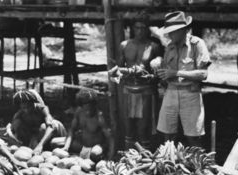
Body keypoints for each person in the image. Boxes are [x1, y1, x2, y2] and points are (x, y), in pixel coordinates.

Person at [156, 11, 211, 147]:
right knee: (167, 135)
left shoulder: (197, 44)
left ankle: (198, 166)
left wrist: (176, 73)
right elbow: (166, 73)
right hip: (171, 92)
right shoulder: (169, 47)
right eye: (168, 32)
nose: (169, 35)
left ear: (183, 30)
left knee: (194, 137)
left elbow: (203, 74)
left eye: (172, 31)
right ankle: (168, 165)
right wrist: (158, 69)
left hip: (190, 94)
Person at [115, 16, 164, 150]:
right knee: (128, 127)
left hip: (146, 90)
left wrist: (149, 77)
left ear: (147, 30)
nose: (140, 31)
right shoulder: (124, 45)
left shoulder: (154, 47)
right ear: (132, 28)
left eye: (143, 28)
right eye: (137, 28)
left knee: (144, 127)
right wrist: (128, 71)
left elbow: (159, 75)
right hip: (128, 90)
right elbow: (117, 70)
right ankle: (127, 157)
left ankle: (145, 159)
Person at [6, 89, 67, 154]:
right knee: (17, 124)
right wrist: (10, 131)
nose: (26, 110)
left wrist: (40, 145)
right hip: (36, 137)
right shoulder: (19, 114)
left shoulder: (42, 109)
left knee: (45, 126)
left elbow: (51, 127)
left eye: (28, 107)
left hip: (52, 136)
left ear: (32, 103)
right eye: (24, 108)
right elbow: (11, 129)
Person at [61, 90, 114, 161]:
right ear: (81, 105)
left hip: (96, 147)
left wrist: (110, 156)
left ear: (94, 105)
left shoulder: (99, 117)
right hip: (82, 145)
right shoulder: (79, 112)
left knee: (95, 153)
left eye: (90, 108)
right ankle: (83, 153)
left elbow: (110, 138)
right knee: (54, 142)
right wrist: (66, 146)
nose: (88, 111)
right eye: (85, 108)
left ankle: (96, 156)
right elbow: (72, 129)